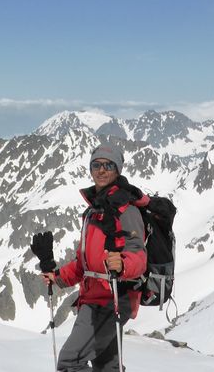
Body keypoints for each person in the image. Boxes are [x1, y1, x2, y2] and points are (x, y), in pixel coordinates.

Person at [42, 143, 148, 372]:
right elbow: (83, 264)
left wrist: (123, 265)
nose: (101, 170)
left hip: (112, 300)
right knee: (106, 366)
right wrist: (58, 277)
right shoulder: (92, 212)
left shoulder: (126, 210)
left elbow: (139, 255)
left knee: (70, 361)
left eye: (108, 165)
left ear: (118, 170)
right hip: (95, 298)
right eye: (96, 165)